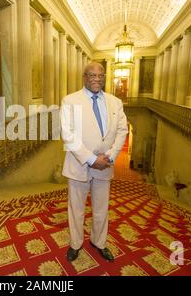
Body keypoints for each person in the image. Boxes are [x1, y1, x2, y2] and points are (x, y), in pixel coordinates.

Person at [60, 62, 128, 262]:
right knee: (76, 210)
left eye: (100, 75)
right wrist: (91, 159)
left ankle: (99, 242)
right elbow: (68, 133)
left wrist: (111, 156)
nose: (97, 79)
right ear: (84, 77)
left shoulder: (115, 102)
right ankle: (75, 244)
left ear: (104, 77)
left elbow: (122, 130)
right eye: (92, 75)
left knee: (101, 209)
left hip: (105, 164)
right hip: (78, 164)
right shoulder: (70, 100)